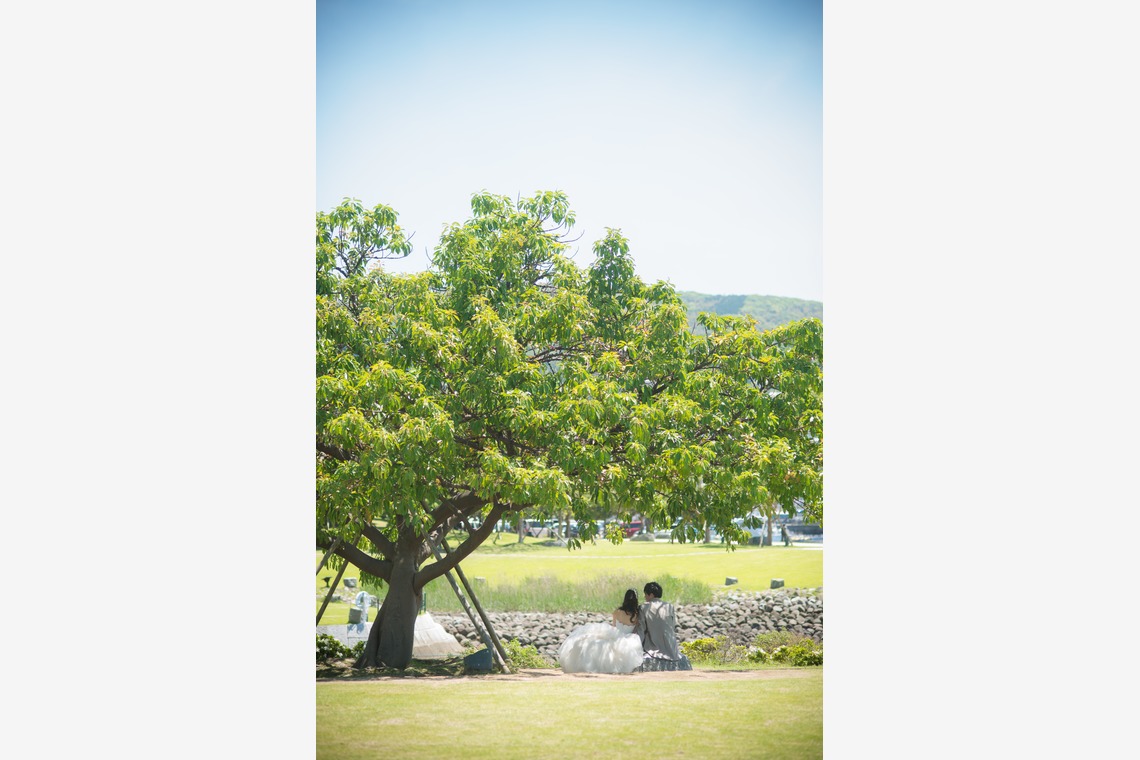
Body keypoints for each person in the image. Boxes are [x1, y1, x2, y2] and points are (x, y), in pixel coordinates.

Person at [557, 589, 645, 673]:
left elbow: (614, 627)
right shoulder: (637, 615)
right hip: (628, 639)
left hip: (616, 636)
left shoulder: (617, 612)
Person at [637, 581, 682, 662]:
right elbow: (673, 625)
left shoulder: (643, 607)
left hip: (654, 648)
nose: (645, 597)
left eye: (646, 594)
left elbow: (641, 629)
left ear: (651, 595)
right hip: (671, 648)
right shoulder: (669, 606)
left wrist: (636, 647)